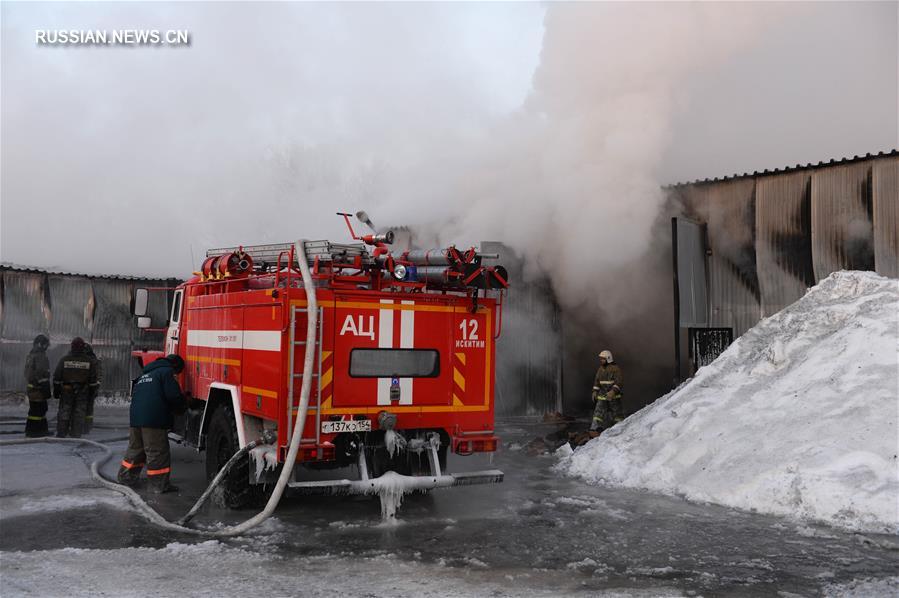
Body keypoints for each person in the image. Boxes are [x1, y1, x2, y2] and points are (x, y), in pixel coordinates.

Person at [117, 354, 187, 493]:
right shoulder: (166, 372)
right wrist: (183, 405)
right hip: (154, 419)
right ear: (175, 367)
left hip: (136, 418)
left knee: (136, 449)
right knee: (157, 452)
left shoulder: (145, 375)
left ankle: (125, 478)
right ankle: (158, 485)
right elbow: (173, 396)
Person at [53, 337, 99, 438]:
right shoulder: (89, 361)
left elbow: (57, 377)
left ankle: (62, 432)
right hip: (82, 391)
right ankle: (76, 433)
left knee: (65, 411)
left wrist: (56, 391)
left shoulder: (64, 360)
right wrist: (92, 392)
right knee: (79, 413)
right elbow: (93, 380)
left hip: (66, 390)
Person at [589, 349, 623, 437]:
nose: (601, 360)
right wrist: (594, 391)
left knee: (616, 414)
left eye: (603, 359)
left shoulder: (615, 369)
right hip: (602, 396)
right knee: (598, 413)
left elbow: (619, 382)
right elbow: (597, 381)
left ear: (608, 359)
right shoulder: (601, 369)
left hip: (613, 397)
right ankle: (594, 430)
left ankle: (620, 429)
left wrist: (613, 392)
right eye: (601, 359)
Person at [23, 335, 52, 437]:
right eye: (45, 345)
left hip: (32, 388)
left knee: (38, 409)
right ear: (41, 344)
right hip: (38, 388)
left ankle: (40, 430)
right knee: (38, 410)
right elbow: (41, 373)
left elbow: (27, 373)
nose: (46, 347)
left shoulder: (31, 355)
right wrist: (45, 388)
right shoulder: (40, 355)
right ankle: (34, 431)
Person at [83, 343, 103, 434]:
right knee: (88, 408)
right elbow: (99, 376)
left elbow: (99, 375)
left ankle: (84, 426)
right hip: (90, 387)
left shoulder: (92, 361)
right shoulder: (94, 360)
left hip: (86, 387)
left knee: (84, 408)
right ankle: (86, 426)